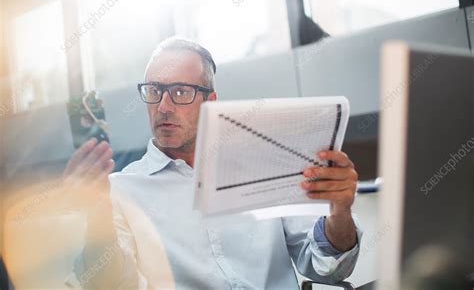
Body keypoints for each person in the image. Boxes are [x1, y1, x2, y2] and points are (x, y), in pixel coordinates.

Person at [63, 37, 362, 289]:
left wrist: (339, 211)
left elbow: (329, 267)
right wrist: (96, 215)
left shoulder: (263, 166)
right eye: (154, 91)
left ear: (211, 101)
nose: (163, 107)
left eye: (180, 92)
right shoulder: (119, 191)